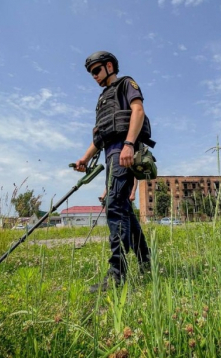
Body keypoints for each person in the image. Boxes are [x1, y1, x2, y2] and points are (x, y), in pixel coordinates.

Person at [74, 51, 151, 292]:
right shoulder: (103, 99)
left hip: (123, 150)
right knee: (123, 210)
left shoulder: (125, 84)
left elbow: (138, 112)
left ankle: (117, 274)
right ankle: (146, 262)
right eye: (91, 73)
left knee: (115, 208)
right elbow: (101, 136)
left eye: (96, 70)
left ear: (109, 66)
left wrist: (129, 144)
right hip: (110, 153)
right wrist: (84, 158)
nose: (94, 76)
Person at [99, 178, 151, 276]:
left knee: (119, 219)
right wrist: (103, 195)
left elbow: (134, 176)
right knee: (132, 226)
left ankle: (117, 273)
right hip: (118, 190)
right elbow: (110, 183)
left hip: (122, 192)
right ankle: (145, 261)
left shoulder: (123, 163)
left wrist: (133, 192)